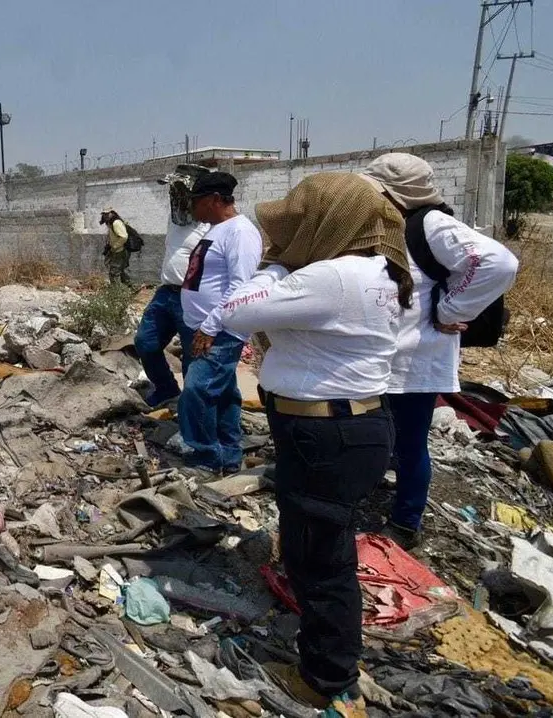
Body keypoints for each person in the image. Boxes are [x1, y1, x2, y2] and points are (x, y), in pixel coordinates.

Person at [220, 172, 413, 717]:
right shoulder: (378, 270)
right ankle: (334, 648)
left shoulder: (332, 276)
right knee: (323, 546)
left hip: (326, 432)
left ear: (330, 221)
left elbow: (235, 311)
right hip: (350, 428)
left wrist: (278, 267)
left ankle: (324, 677)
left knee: (320, 561)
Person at [361, 153, 519, 548]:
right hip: (387, 356)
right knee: (385, 436)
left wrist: (450, 310)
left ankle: (406, 522)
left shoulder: (430, 223)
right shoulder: (394, 225)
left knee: (412, 444)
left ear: (394, 193)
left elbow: (499, 263)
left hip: (417, 359)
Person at [178, 171, 261, 473]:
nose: (191, 209)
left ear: (214, 200)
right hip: (202, 328)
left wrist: (210, 326)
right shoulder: (216, 229)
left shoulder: (240, 233)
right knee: (224, 393)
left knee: (196, 390)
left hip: (219, 331)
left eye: (195, 202)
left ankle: (203, 458)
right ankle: (228, 455)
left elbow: (241, 287)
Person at [133, 165, 211, 407]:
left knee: (193, 356)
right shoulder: (174, 219)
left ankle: (192, 407)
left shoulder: (212, 227)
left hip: (193, 297)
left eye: (180, 192)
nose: (174, 197)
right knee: (145, 343)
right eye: (173, 192)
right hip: (166, 293)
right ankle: (166, 389)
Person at [99, 208, 136, 286]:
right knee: (120, 270)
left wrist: (115, 246)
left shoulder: (116, 223)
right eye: (104, 214)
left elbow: (124, 237)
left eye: (107, 214)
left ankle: (116, 292)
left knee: (114, 272)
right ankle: (129, 287)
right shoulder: (110, 223)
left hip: (120, 250)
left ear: (112, 213)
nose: (105, 216)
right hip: (117, 250)